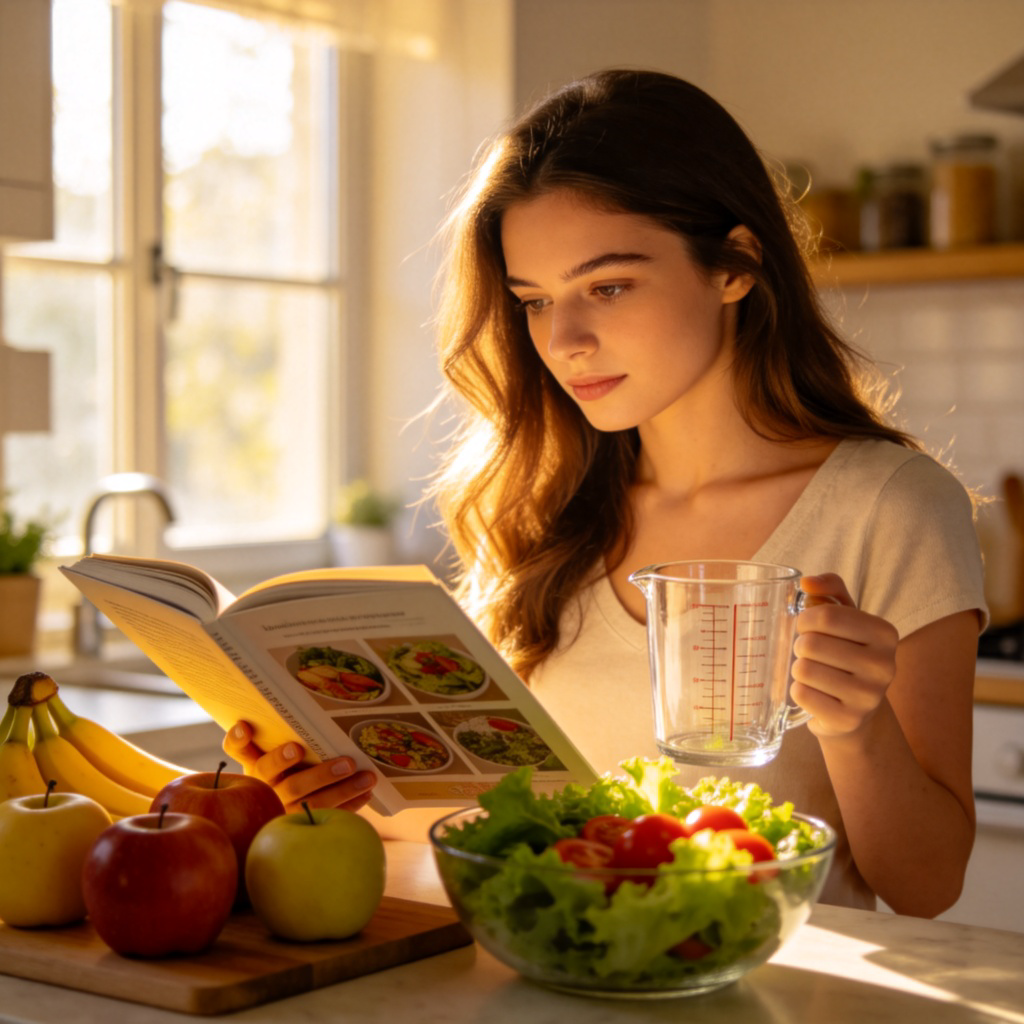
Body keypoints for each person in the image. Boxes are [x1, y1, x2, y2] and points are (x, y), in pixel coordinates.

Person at [224, 69, 987, 917]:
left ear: (735, 264)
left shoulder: (891, 506)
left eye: (609, 286)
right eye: (536, 301)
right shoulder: (545, 503)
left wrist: (857, 727)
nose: (565, 340)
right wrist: (351, 789)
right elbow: (513, 822)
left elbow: (925, 886)